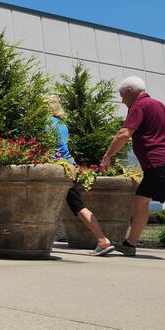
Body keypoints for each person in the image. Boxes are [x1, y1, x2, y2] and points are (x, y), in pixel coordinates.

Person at [100, 76, 165, 262]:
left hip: (157, 164)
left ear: (129, 91)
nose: (122, 101)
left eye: (122, 96)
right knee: (141, 202)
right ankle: (130, 245)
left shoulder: (139, 106)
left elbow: (124, 133)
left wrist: (107, 157)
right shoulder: (160, 105)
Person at [46, 95, 115, 256]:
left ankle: (103, 240)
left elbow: (46, 145)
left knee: (48, 206)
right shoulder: (62, 124)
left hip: (55, 169)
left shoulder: (45, 123)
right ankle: (102, 239)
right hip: (70, 167)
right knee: (78, 205)